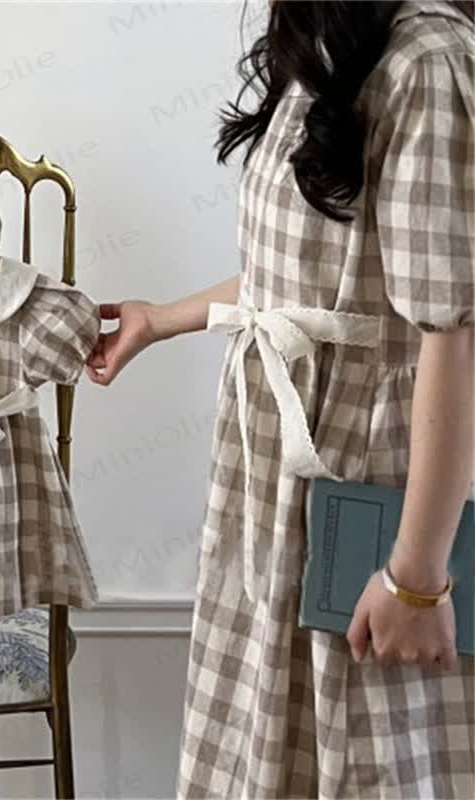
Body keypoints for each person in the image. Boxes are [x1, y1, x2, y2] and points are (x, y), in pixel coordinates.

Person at [87, 1, 474, 797]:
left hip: (363, 485)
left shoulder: (428, 59)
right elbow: (294, 285)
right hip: (270, 493)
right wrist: (160, 320)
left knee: (368, 755)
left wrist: (416, 575)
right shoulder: (333, 48)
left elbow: (455, 332)